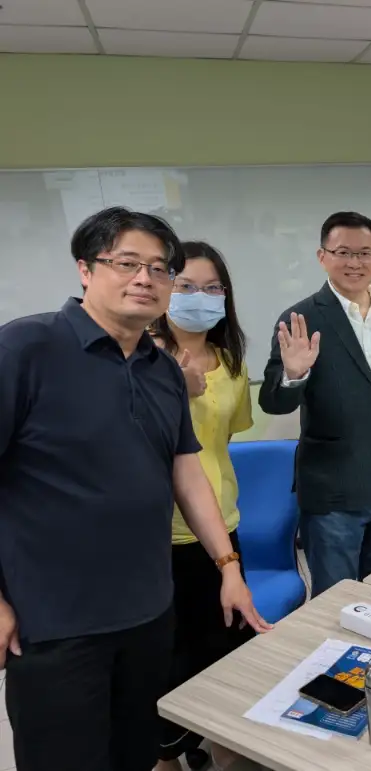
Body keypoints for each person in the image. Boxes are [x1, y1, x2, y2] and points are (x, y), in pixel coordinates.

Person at [0, 208, 268, 771]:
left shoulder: (161, 370)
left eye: (158, 267)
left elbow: (186, 471)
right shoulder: (25, 349)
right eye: (127, 263)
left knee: (136, 753)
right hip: (54, 624)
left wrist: (227, 566)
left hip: (148, 611)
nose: (145, 278)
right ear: (85, 269)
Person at [259, 211, 371, 597]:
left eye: (365, 253)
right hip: (334, 489)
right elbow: (273, 402)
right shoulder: (300, 318)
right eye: (343, 252)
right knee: (337, 597)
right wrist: (293, 374)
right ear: (322, 257)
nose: (355, 262)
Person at [149, 242, 259, 771]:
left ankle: (222, 746)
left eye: (213, 288)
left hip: (221, 525)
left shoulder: (232, 362)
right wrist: (174, 385)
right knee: (168, 655)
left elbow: (222, 439)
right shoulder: (138, 354)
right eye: (187, 286)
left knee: (225, 648)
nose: (201, 297)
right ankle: (169, 754)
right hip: (157, 536)